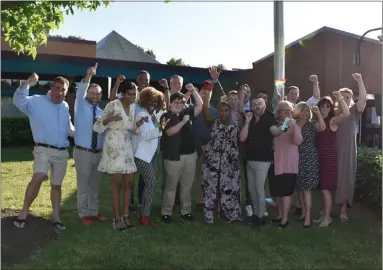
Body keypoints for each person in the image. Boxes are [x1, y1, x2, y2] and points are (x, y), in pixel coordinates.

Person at [12, 73, 74, 231]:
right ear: (52, 87)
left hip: (61, 152)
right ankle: (24, 212)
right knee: (39, 176)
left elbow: (69, 129)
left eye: (63, 90)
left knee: (57, 185)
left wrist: (84, 133)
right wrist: (27, 83)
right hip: (43, 149)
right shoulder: (37, 101)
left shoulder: (65, 106)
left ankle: (56, 217)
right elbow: (18, 101)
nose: (60, 92)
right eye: (57, 88)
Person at [93, 81, 138, 231]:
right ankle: (117, 218)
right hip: (113, 143)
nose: (131, 97)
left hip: (126, 144)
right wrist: (109, 119)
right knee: (117, 181)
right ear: (123, 93)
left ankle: (126, 216)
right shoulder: (112, 105)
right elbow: (97, 127)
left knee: (129, 181)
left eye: (133, 94)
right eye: (129, 94)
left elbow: (129, 126)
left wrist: (140, 125)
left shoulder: (132, 107)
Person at [160, 84, 203, 222]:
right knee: (171, 186)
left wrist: (193, 91)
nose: (179, 104)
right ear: (170, 104)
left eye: (181, 102)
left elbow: (200, 105)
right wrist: (183, 123)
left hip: (190, 155)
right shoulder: (165, 116)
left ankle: (186, 211)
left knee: (186, 185)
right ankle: (166, 212)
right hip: (173, 157)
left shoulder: (187, 113)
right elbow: (169, 132)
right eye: (176, 102)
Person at [74, 63, 108, 226]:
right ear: (87, 93)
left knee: (95, 184)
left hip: (98, 152)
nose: (95, 95)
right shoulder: (80, 106)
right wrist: (88, 76)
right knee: (83, 184)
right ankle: (83, 213)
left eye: (98, 93)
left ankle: (93, 211)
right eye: (92, 92)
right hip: (83, 152)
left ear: (101, 96)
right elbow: (80, 90)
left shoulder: (102, 114)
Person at [201, 92, 242, 224]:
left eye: (226, 110)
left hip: (229, 161)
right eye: (221, 110)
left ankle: (230, 214)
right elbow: (206, 112)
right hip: (212, 160)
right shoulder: (213, 123)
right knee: (211, 188)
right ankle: (210, 215)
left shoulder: (236, 123)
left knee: (229, 188)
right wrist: (208, 93)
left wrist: (238, 158)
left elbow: (240, 142)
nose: (224, 113)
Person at [131, 87, 166, 226]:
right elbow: (146, 135)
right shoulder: (141, 115)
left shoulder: (151, 116)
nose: (153, 103)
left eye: (156, 101)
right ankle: (144, 215)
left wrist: (160, 128)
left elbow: (158, 132)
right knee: (151, 182)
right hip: (141, 155)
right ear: (145, 100)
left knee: (150, 183)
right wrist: (160, 129)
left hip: (151, 155)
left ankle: (145, 213)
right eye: (151, 101)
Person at [239, 98, 276, 228]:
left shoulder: (269, 118)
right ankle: (255, 214)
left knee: (260, 189)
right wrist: (248, 122)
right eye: (254, 104)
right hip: (250, 159)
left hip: (263, 159)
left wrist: (285, 125)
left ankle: (260, 217)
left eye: (260, 104)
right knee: (251, 189)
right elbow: (242, 138)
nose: (257, 106)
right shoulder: (250, 119)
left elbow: (275, 132)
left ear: (265, 105)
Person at [315, 91, 350, 228]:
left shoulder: (333, 121)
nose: (324, 108)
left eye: (327, 106)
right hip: (320, 157)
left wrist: (340, 98)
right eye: (322, 106)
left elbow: (346, 114)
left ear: (330, 108)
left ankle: (327, 217)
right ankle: (324, 214)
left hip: (329, 157)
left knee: (325, 188)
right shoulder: (318, 121)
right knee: (324, 189)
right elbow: (320, 128)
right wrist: (317, 115)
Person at [335, 73, 367, 222]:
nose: (345, 99)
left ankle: (343, 210)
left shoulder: (354, 112)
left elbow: (362, 101)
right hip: (333, 149)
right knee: (332, 177)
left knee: (346, 177)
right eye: (342, 97)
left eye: (348, 97)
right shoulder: (333, 112)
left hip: (348, 151)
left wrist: (360, 81)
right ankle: (327, 208)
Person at [269, 101, 303, 228]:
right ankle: (279, 215)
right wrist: (284, 124)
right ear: (279, 112)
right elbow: (276, 133)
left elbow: (298, 141)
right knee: (278, 192)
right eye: (284, 110)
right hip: (277, 163)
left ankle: (285, 219)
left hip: (289, 164)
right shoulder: (275, 125)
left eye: (290, 110)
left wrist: (292, 127)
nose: (288, 113)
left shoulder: (295, 125)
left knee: (286, 193)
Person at [293, 102, 325, 228]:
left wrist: (317, 113)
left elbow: (322, 127)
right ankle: (303, 212)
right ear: (297, 112)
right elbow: (282, 131)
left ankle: (308, 216)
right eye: (302, 111)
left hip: (309, 157)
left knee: (306, 188)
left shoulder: (311, 124)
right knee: (299, 186)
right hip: (295, 156)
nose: (305, 114)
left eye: (307, 111)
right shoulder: (293, 123)